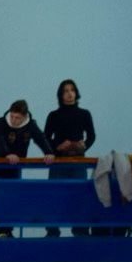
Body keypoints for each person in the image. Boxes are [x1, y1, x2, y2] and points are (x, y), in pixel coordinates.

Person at [0, 100, 54, 237]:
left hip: (15, 167)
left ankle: (8, 230)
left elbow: (41, 138)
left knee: (13, 196)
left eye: (17, 118)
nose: (13, 120)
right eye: (12, 116)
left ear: (24, 117)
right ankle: (1, 231)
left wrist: (49, 152)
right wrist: (7, 154)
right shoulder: (0, 122)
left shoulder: (30, 125)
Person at [44, 79, 96, 237]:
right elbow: (45, 138)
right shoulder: (54, 115)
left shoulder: (84, 114)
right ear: (61, 95)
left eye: (72, 90)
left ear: (76, 93)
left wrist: (84, 145)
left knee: (79, 195)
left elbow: (92, 136)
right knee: (55, 195)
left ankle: (80, 230)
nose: (69, 93)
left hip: (78, 161)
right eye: (66, 91)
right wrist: (58, 147)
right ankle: (52, 231)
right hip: (59, 161)